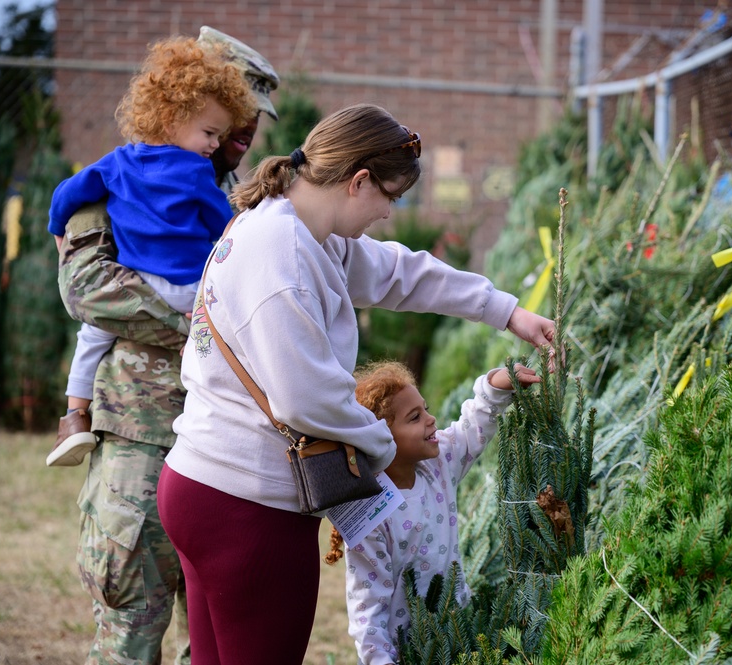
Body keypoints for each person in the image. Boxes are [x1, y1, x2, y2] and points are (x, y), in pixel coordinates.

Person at [155, 103, 556, 665]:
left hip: (204, 486)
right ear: (357, 181)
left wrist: (506, 312)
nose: (389, 213)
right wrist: (387, 453)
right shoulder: (281, 259)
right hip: (244, 509)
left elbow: (400, 273)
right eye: (389, 196)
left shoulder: (308, 233)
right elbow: (307, 398)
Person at [54, 28, 280, 665]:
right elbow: (90, 289)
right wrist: (213, 325)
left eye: (253, 119)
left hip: (229, 442)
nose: (245, 132)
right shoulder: (122, 180)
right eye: (235, 116)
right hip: (142, 436)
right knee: (132, 615)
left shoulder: (249, 201)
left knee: (214, 631)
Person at [46, 34, 257, 467]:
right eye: (210, 132)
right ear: (171, 118)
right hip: (191, 287)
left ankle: (73, 418)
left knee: (91, 339)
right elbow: (228, 227)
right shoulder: (199, 171)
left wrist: (56, 232)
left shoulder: (117, 163)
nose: (215, 144)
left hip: (139, 282)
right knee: (223, 330)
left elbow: (66, 193)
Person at [328, 360, 540, 665]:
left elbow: (472, 427)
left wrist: (498, 382)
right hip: (409, 653)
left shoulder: (437, 463)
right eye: (415, 417)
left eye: (425, 409)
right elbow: (368, 612)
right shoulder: (371, 513)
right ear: (379, 438)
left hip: (458, 632)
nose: (431, 420)